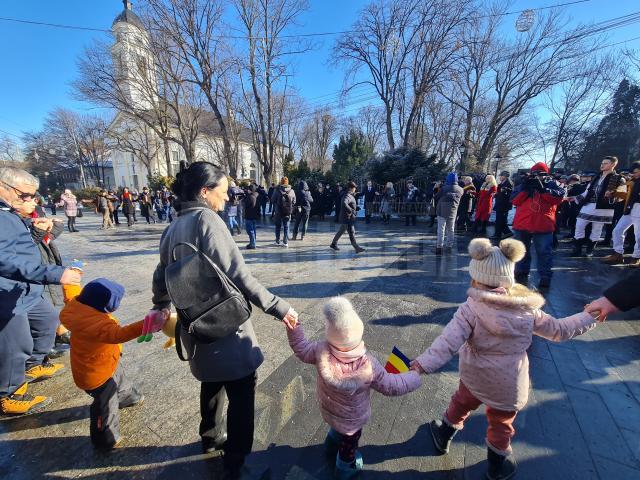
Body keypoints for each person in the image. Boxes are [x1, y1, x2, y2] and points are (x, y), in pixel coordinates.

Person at [150, 161, 298, 478]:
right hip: (225, 325)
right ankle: (237, 463)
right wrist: (278, 307)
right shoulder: (208, 220)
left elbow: (160, 274)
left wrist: (160, 304)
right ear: (205, 192)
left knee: (212, 380)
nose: (229, 198)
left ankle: (210, 437)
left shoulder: (173, 225)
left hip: (194, 325)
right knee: (243, 390)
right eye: (224, 191)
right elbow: (240, 276)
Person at [411, 238, 600, 480]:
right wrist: (589, 316)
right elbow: (560, 330)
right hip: (509, 382)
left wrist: (423, 364)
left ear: (477, 278)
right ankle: (497, 466)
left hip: (475, 376)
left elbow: (447, 342)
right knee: (501, 424)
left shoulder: (471, 309)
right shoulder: (528, 310)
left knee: (461, 402)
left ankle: (443, 434)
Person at [286, 297, 421, 478]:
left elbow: (301, 349)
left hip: (329, 410)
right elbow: (392, 385)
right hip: (352, 421)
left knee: (336, 427)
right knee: (349, 445)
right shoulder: (369, 366)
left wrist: (294, 327)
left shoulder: (321, 351)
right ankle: (345, 468)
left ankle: (330, 445)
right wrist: (414, 376)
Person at [0, 167, 83, 416]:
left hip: (24, 288)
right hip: (6, 291)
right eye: (24, 195)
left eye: (32, 196)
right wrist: (55, 274)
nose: (29, 200)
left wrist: (35, 228)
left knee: (48, 321)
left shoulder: (9, 212)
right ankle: (7, 395)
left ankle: (32, 365)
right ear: (3, 186)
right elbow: (5, 260)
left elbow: (21, 243)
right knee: (16, 343)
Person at [60, 279, 161, 449]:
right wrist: (148, 324)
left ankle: (128, 397)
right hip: (95, 376)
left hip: (103, 361)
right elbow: (119, 334)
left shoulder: (77, 307)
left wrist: (70, 280)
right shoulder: (97, 324)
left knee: (119, 378)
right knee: (105, 403)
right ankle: (104, 437)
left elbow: (70, 295)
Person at [14, 197, 71, 358]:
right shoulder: (13, 222)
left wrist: (56, 226)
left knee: (52, 307)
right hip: (34, 272)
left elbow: (47, 239)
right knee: (42, 310)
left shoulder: (30, 217)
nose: (34, 203)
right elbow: (22, 248)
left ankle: (54, 339)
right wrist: (38, 231)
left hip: (46, 265)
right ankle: (40, 353)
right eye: (29, 199)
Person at [510, 162, 565, 289]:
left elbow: (559, 198)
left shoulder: (552, 184)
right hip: (523, 223)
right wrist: (525, 188)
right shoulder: (523, 185)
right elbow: (514, 201)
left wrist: (543, 189)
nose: (537, 177)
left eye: (540, 174)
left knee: (544, 252)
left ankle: (545, 276)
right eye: (535, 174)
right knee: (521, 251)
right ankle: (521, 271)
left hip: (543, 225)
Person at [569, 156, 626, 257]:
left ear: (613, 164)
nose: (602, 165)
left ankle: (589, 250)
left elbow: (622, 196)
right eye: (602, 163)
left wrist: (613, 195)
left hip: (603, 207)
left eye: (606, 163)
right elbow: (587, 191)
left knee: (597, 229)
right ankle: (577, 249)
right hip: (589, 204)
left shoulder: (619, 178)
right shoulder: (596, 176)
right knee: (579, 225)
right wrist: (576, 198)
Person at [601, 161, 640, 266]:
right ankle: (618, 254)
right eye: (633, 172)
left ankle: (636, 257)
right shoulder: (632, 181)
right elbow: (627, 196)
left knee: (638, 235)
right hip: (629, 208)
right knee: (617, 230)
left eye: (636, 172)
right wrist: (615, 193)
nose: (633, 174)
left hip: (638, 208)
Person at [330, 181, 365, 254]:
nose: (355, 189)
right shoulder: (347, 195)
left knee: (342, 230)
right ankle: (356, 247)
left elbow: (349, 204)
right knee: (352, 232)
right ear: (351, 188)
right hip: (347, 218)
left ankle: (333, 244)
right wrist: (352, 210)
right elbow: (344, 203)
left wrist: (356, 208)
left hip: (346, 217)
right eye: (355, 188)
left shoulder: (349, 194)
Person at [434, 172, 463, 255]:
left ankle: (439, 247)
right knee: (451, 229)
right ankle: (449, 246)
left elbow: (436, 197)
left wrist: (437, 188)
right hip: (453, 211)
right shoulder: (461, 189)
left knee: (441, 229)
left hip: (442, 211)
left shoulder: (444, 188)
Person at [271, 177, 296, 247]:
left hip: (278, 211)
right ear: (287, 182)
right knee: (286, 226)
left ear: (281, 182)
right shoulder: (292, 191)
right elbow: (294, 201)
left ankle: (277, 241)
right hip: (287, 212)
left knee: (278, 226)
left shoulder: (277, 190)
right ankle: (285, 242)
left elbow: (272, 200)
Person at [492, 171, 513, 240]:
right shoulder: (502, 184)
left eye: (501, 176)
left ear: (505, 176)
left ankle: (498, 234)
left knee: (500, 220)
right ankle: (506, 232)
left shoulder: (509, 184)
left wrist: (505, 192)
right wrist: (496, 195)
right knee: (500, 220)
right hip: (500, 204)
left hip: (504, 205)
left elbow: (509, 195)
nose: (500, 177)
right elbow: (500, 193)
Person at [243, 184, 260, 249]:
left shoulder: (250, 197)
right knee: (253, 230)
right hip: (254, 215)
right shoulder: (257, 195)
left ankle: (253, 244)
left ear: (250, 190)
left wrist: (245, 198)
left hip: (249, 215)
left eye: (248, 189)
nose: (247, 190)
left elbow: (246, 205)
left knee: (250, 230)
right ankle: (253, 242)